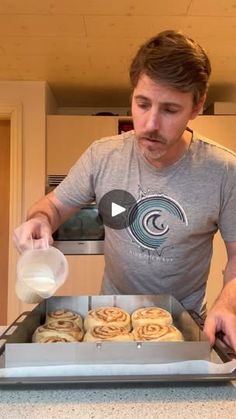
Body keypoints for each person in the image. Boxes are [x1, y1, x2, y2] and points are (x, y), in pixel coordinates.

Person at [13, 30, 236, 350]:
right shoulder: (102, 155)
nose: (149, 124)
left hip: (185, 325)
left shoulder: (225, 171)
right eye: (142, 104)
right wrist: (40, 219)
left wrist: (227, 304)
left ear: (197, 106)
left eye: (170, 110)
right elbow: (54, 207)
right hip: (109, 319)